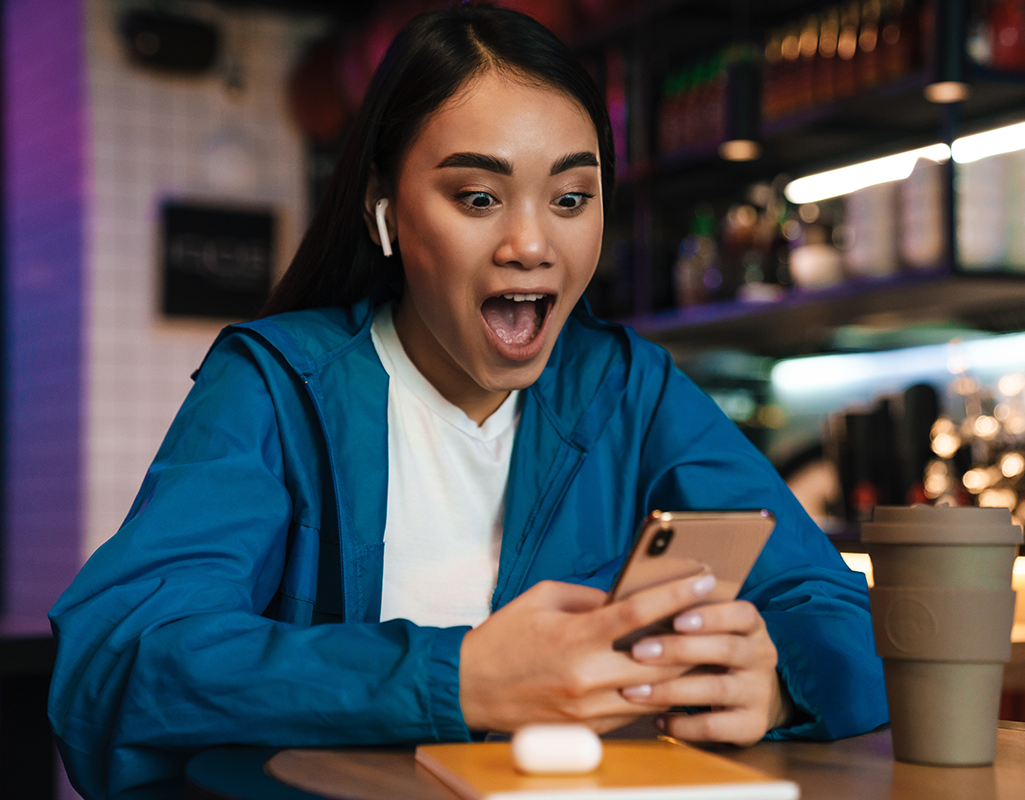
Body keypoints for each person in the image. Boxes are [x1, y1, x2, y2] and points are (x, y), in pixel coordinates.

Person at [48, 5, 887, 798]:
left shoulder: (627, 388)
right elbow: (120, 664)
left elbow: (843, 616)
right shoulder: (278, 384)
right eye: (479, 198)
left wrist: (772, 686)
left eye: (570, 198)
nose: (531, 243)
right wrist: (464, 679)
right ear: (385, 208)